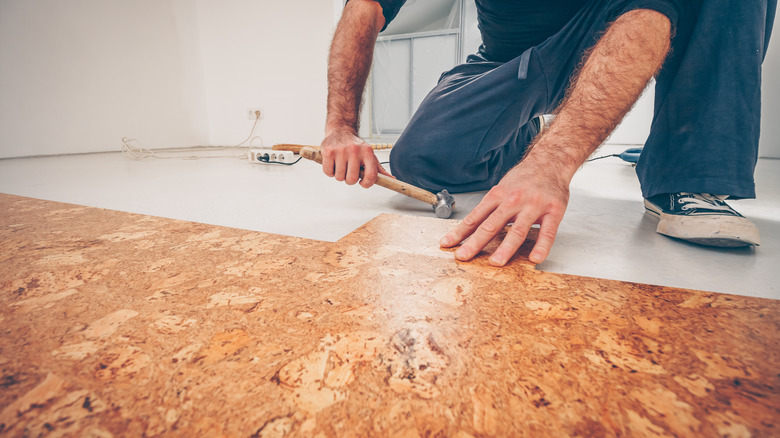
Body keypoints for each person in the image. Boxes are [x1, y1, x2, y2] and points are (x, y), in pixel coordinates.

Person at [319, 0, 775, 266]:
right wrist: (340, 126)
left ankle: (687, 178)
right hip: (513, 58)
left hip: (628, 18)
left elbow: (654, 10)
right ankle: (525, 136)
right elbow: (364, 7)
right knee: (420, 158)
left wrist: (551, 164)